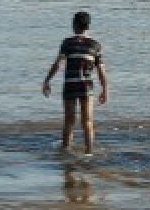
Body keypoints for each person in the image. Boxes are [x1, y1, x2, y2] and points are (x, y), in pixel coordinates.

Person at [42, 11, 109, 154]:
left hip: (70, 85)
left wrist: (47, 80)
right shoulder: (95, 45)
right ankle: (89, 152)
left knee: (69, 121)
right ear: (88, 26)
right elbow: (101, 71)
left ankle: (66, 151)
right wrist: (105, 89)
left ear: (74, 25)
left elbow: (58, 64)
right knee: (88, 122)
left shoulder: (67, 43)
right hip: (86, 86)